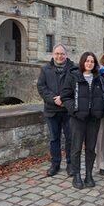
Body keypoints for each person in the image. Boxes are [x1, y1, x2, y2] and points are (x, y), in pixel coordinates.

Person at [61, 52, 104, 189]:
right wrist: (74, 110)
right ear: (82, 62)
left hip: (93, 119)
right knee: (76, 148)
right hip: (78, 118)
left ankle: (89, 174)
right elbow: (66, 96)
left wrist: (100, 110)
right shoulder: (74, 76)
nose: (89, 64)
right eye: (87, 61)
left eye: (92, 61)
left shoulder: (99, 78)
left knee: (91, 148)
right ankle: (77, 175)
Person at [37, 44, 75, 177]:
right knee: (54, 138)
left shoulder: (73, 69)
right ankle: (55, 164)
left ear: (66, 55)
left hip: (68, 110)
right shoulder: (45, 69)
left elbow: (76, 87)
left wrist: (64, 99)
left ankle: (70, 164)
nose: (59, 56)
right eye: (57, 54)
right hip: (51, 110)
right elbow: (41, 87)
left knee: (70, 139)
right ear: (53, 55)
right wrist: (54, 99)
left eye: (62, 54)